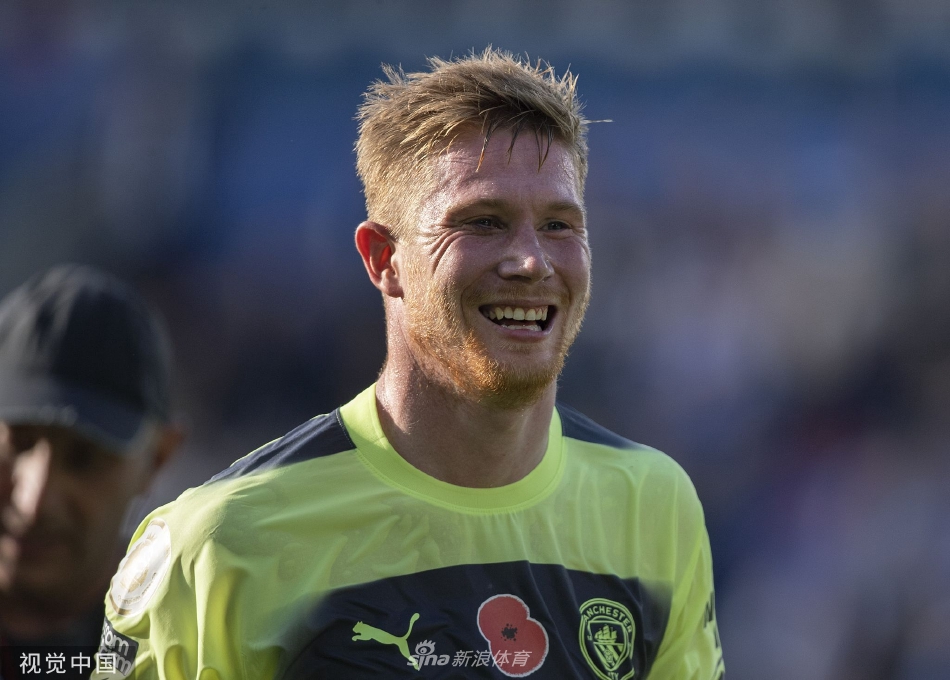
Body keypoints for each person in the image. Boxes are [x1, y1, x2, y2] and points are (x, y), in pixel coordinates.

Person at [96, 49, 723, 679]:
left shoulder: (653, 507)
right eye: (484, 222)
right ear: (383, 259)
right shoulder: (219, 546)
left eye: (560, 225)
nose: (532, 261)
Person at [0, 265, 181, 677]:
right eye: (18, 443)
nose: (34, 501)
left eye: (83, 458)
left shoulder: (191, 648)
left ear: (157, 458)